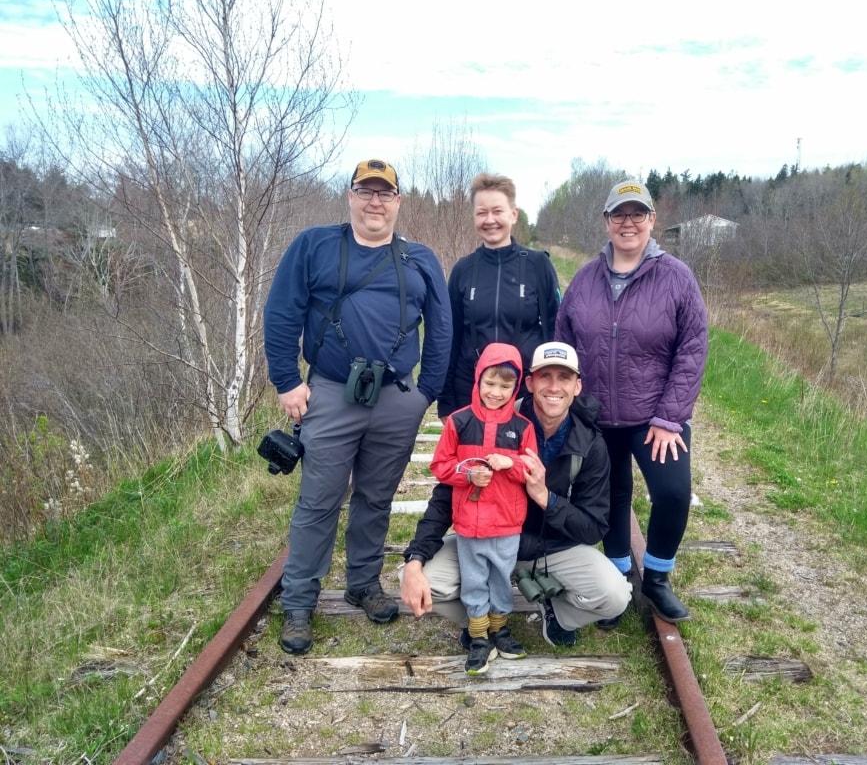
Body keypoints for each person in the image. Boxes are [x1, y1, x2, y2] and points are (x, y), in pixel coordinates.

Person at [263, 158, 452, 654]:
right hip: (329, 390)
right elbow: (282, 311)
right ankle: (300, 602)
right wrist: (286, 381)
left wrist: (425, 393)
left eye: (384, 193)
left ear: (398, 202)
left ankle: (364, 583)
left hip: (395, 398)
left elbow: (442, 328)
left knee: (375, 496)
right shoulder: (314, 245)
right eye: (365, 192)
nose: (374, 202)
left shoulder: (421, 259)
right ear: (349, 197)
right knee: (319, 499)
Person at [400, 341, 632, 648]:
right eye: (545, 376)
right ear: (530, 382)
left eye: (563, 377)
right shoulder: (492, 419)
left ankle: (556, 612)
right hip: (484, 537)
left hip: (552, 550)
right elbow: (447, 493)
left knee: (615, 595)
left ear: (577, 386)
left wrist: (545, 497)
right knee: (413, 578)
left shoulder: (590, 443)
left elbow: (593, 528)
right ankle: (479, 620)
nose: (554, 387)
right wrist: (416, 557)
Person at [555, 180, 708, 625]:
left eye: (637, 214)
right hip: (598, 419)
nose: (628, 223)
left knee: (674, 493)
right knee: (611, 496)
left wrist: (669, 417)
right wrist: (570, 408)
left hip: (655, 417)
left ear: (651, 221)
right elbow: (564, 344)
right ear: (606, 222)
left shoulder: (676, 277)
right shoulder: (584, 279)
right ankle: (620, 578)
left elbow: (693, 348)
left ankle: (657, 579)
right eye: (619, 214)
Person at [430, 342, 537, 674]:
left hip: (507, 522)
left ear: (516, 387)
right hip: (469, 524)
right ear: (478, 379)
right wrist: (466, 474)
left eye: (506, 386)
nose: (496, 392)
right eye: (490, 383)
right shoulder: (459, 421)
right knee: (475, 579)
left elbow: (533, 470)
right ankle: (478, 636)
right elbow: (440, 465)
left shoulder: (523, 427)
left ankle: (499, 628)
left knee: (501, 578)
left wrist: (511, 462)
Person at [438, 172, 561, 419]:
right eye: (482, 212)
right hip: (470, 391)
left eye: (497, 211)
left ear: (513, 214)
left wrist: (551, 388)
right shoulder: (463, 269)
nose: (490, 219)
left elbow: (554, 332)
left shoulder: (538, 265)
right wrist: (446, 401)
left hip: (524, 395)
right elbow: (451, 337)